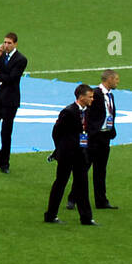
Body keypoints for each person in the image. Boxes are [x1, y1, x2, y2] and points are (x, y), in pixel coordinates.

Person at [45, 85, 98, 225]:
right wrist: (61, 149)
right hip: (67, 154)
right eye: (90, 97)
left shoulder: (87, 112)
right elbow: (56, 132)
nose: (92, 99)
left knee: (82, 184)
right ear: (81, 97)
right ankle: (50, 215)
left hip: (80, 154)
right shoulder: (68, 112)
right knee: (60, 183)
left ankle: (86, 218)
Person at [69, 69, 119, 211]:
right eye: (116, 79)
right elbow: (86, 113)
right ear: (108, 79)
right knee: (83, 168)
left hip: (105, 137)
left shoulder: (110, 96)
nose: (117, 82)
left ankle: (101, 201)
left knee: (101, 170)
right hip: (94, 137)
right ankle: (73, 199)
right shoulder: (95, 94)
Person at [0, 32, 26, 173]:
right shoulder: (1, 56)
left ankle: (5, 163)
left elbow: (11, 78)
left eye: (9, 43)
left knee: (5, 133)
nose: (6, 45)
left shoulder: (21, 59)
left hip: (10, 101)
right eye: (5, 42)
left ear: (15, 44)